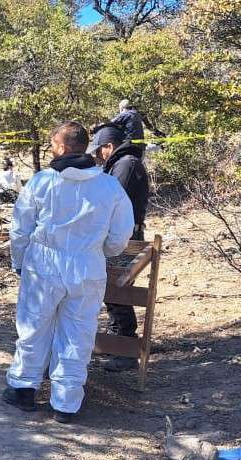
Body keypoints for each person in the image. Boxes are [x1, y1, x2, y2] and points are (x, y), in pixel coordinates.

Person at [2, 121, 135, 424]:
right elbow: (120, 235)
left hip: (44, 264)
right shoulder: (109, 186)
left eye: (52, 144)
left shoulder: (42, 182)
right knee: (78, 333)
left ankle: (23, 388)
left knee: (34, 327)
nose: (50, 149)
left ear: (61, 147)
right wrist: (100, 252)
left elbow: (20, 230)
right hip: (87, 267)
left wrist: (20, 262)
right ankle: (65, 403)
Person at [87, 123, 150, 372]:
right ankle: (118, 342)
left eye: (99, 150)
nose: (97, 155)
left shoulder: (125, 165)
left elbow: (112, 202)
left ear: (109, 147)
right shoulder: (123, 163)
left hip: (124, 239)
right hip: (122, 237)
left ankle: (125, 348)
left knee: (117, 290)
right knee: (113, 292)